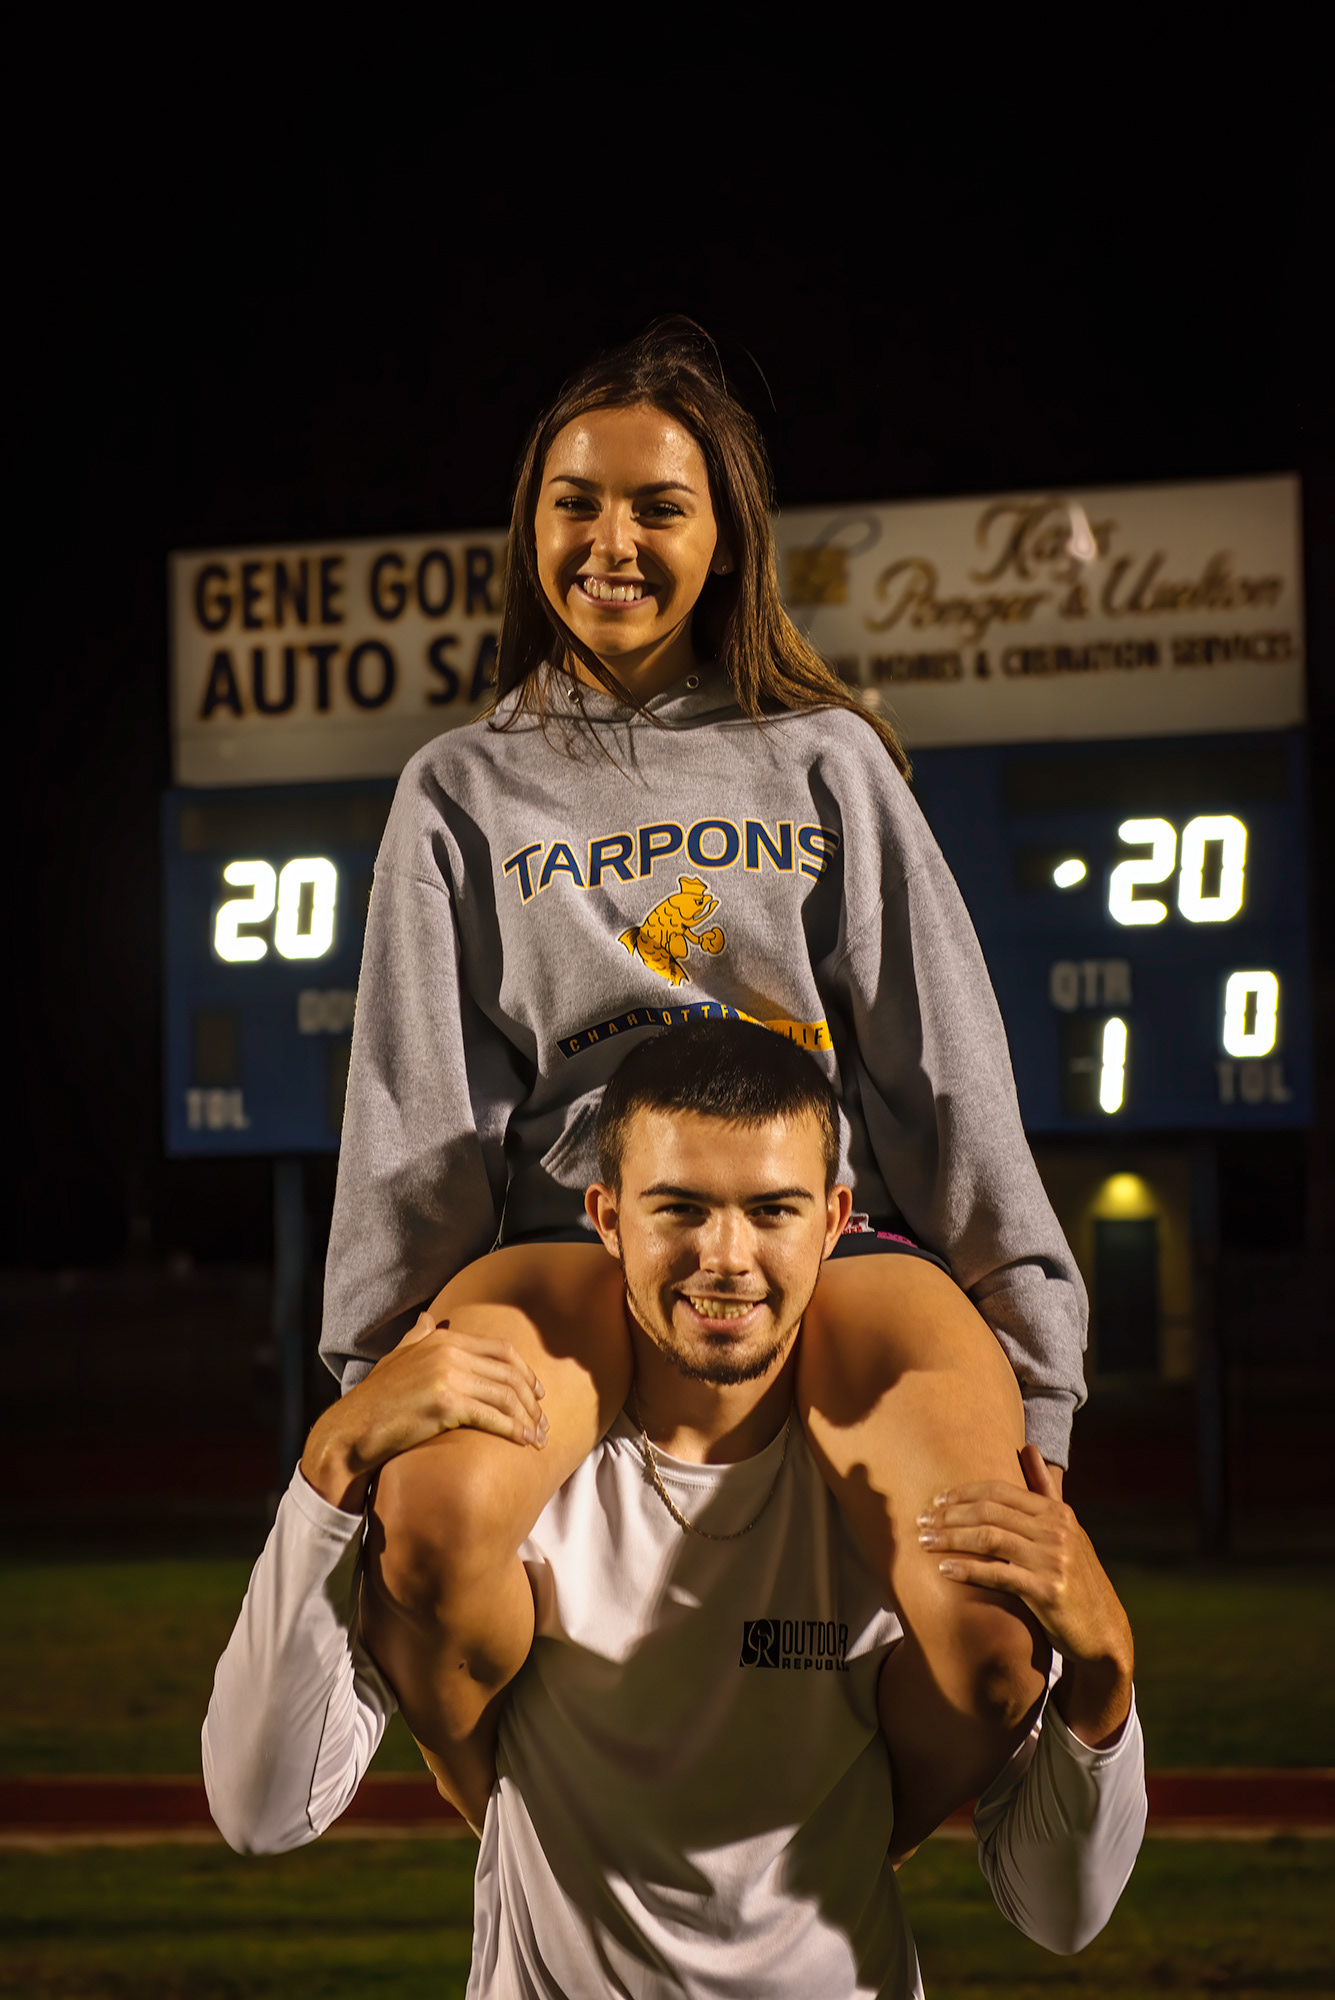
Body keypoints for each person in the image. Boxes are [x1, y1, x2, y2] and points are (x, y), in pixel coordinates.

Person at [319, 317, 1090, 1822]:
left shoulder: (825, 761)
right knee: (427, 1551)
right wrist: (373, 1381)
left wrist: (1035, 1382)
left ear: (725, 539)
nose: (610, 541)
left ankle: (815, 1885)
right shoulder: (458, 791)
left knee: (996, 1638)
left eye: (656, 507)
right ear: (529, 528)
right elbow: (414, 1124)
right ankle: (544, 1855)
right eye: (573, 502)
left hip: (824, 1243)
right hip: (574, 1249)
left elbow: (944, 1081)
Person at [204, 1023, 1145, 1998]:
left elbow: (1060, 1912)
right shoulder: (525, 1483)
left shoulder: (896, 1503)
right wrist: (328, 1466)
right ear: (606, 1217)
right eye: (680, 1208)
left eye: (771, 1209)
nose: (726, 1256)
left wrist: (1105, 1671)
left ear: (834, 1220)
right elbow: (261, 1807)